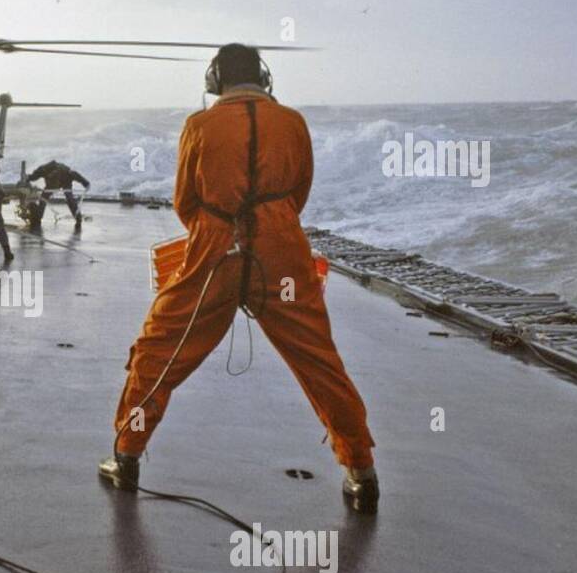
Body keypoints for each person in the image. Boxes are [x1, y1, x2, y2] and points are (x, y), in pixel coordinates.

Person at [98, 43, 379, 510]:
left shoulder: (199, 125)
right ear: (264, 78)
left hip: (214, 247)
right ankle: (361, 473)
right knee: (318, 360)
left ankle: (126, 458)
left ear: (215, 80)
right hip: (282, 249)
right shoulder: (293, 122)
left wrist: (216, 231)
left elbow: (185, 200)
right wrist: (272, 227)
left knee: (159, 350)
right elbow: (299, 189)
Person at [26, 160, 90, 225]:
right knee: (43, 198)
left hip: (65, 181)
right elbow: (34, 176)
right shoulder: (43, 170)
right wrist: (28, 178)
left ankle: (78, 217)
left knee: (69, 198)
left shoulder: (67, 173)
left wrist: (86, 183)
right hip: (51, 184)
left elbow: (76, 175)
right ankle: (38, 217)